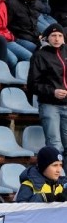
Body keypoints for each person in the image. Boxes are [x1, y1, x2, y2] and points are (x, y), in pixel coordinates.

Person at [28, 23, 67, 152]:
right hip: (49, 105)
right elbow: (32, 84)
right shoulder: (39, 55)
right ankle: (57, 172)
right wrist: (53, 92)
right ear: (47, 38)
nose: (57, 39)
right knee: (55, 146)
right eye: (53, 35)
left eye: (60, 36)